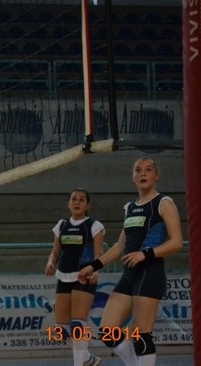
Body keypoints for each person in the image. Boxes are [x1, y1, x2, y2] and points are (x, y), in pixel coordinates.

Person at [78, 157, 183, 366]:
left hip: (150, 273)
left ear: (157, 175)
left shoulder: (164, 203)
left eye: (148, 169)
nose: (143, 173)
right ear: (133, 176)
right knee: (107, 332)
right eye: (138, 170)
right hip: (129, 276)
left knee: (141, 335)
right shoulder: (130, 207)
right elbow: (120, 247)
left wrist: (146, 254)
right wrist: (93, 266)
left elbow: (177, 242)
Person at [45, 188, 104, 366]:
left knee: (77, 325)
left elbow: (99, 253)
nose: (77, 202)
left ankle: (79, 363)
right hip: (63, 276)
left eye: (81, 199)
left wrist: (95, 271)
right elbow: (55, 252)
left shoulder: (94, 226)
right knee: (61, 331)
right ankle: (86, 358)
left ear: (88, 205)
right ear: (68, 204)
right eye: (74, 199)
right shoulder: (61, 225)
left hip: (84, 276)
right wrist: (50, 263)